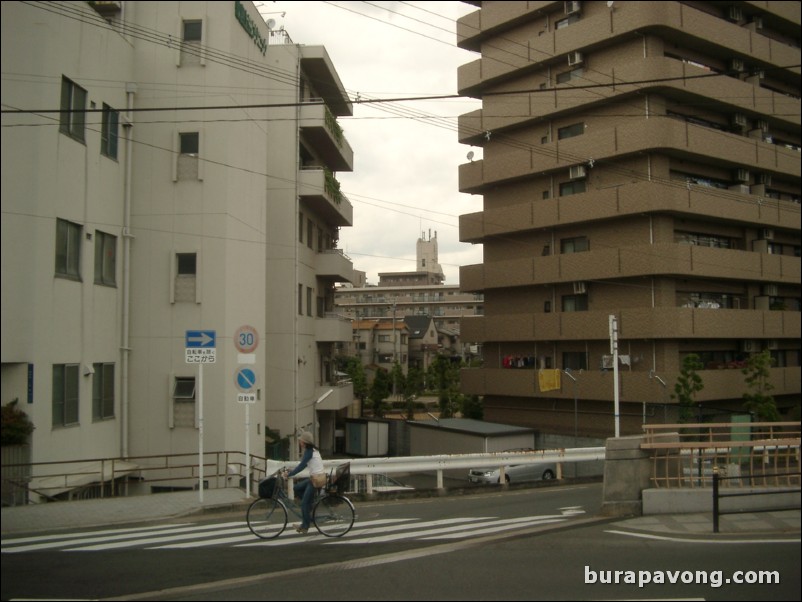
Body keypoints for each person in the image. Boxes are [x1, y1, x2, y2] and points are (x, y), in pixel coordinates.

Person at [283, 431, 325, 534]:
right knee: (297, 488)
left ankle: (305, 526)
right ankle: (309, 506)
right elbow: (305, 465)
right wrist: (291, 470)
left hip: (316, 480)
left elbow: (302, 465)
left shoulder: (309, 452)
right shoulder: (312, 450)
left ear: (305, 442)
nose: (299, 442)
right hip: (316, 478)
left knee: (304, 504)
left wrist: (289, 474)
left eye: (301, 441)